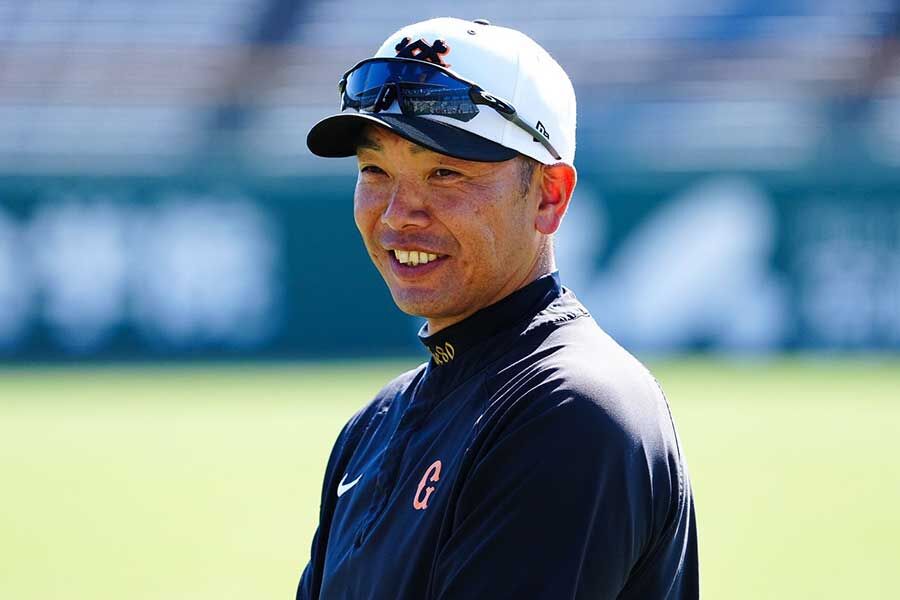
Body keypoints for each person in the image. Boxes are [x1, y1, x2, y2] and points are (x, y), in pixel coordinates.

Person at [297, 17, 699, 600]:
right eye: (375, 171)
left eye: (444, 172)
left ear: (549, 196)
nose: (398, 213)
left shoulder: (572, 409)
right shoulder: (375, 424)